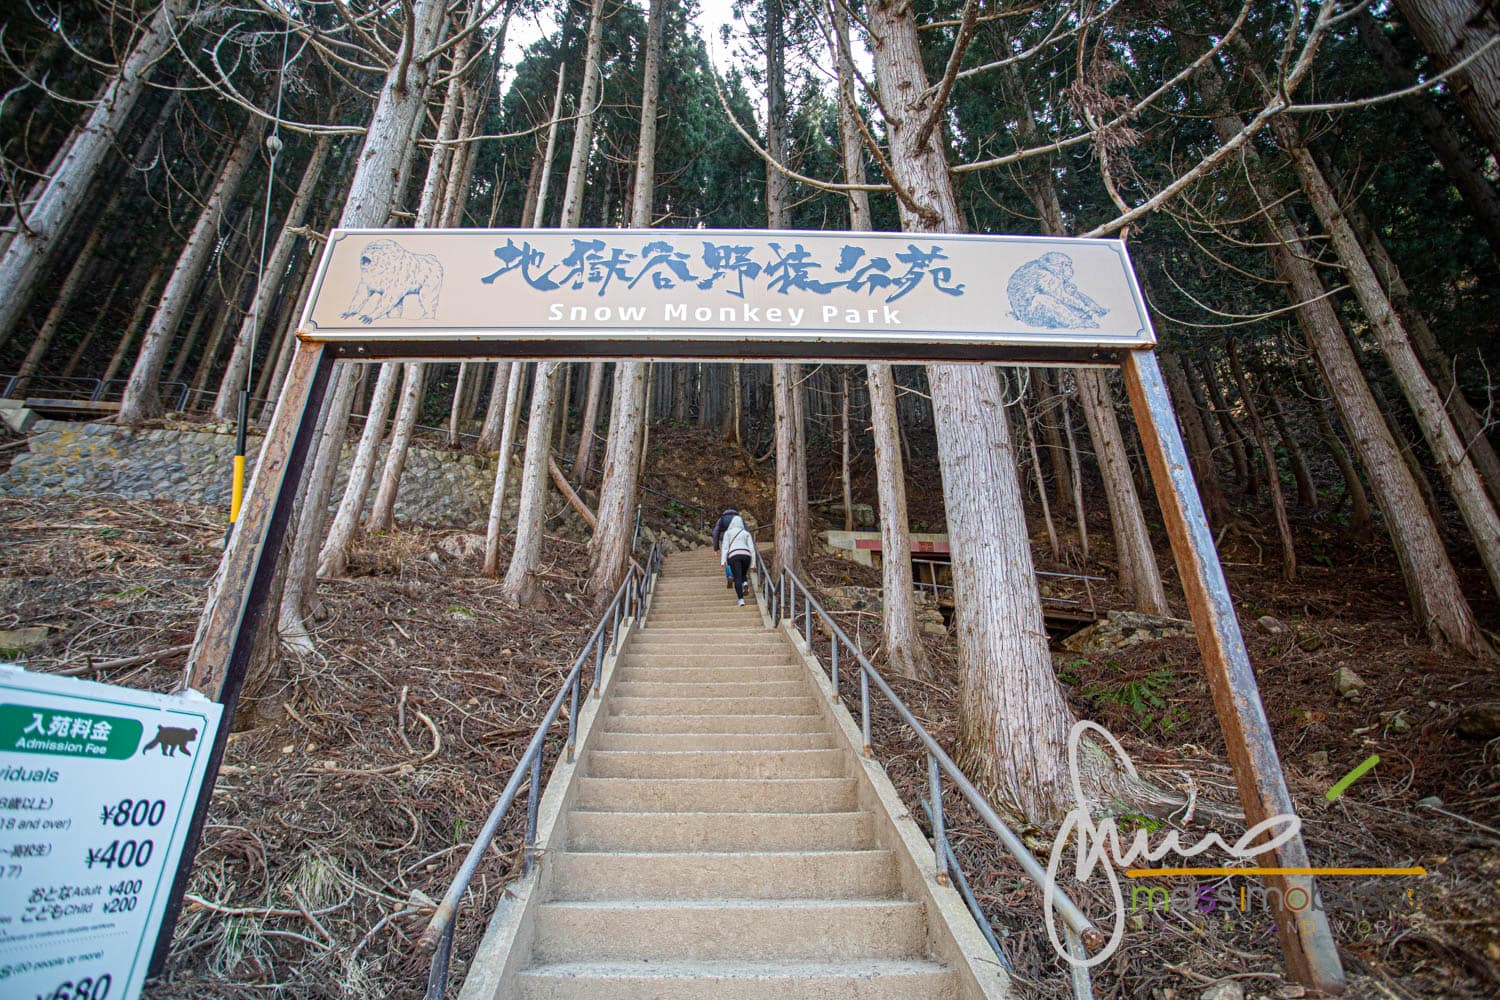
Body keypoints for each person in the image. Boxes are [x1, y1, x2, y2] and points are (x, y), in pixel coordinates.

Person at [720, 512, 755, 606]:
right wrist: (753, 564)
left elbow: (725, 548)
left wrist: (723, 561)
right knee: (743, 573)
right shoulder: (746, 533)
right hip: (746, 556)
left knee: (737, 577)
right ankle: (745, 583)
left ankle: (741, 599)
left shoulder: (728, 533)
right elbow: (752, 549)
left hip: (734, 556)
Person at [712, 507, 738, 589]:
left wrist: (716, 548)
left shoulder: (722, 519)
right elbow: (746, 531)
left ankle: (730, 576)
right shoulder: (738, 519)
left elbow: (716, 532)